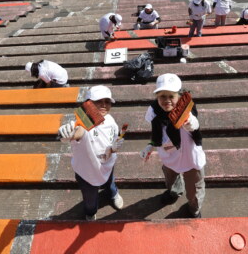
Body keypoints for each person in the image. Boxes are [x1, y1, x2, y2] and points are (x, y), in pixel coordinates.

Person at [139, 73, 206, 218]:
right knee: (171, 180)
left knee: (194, 190)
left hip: (190, 159)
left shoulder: (186, 112)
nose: (167, 100)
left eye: (171, 96)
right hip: (169, 157)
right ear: (157, 97)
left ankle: (194, 209)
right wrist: (150, 146)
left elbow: (194, 122)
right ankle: (174, 192)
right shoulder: (154, 112)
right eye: (163, 96)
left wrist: (191, 125)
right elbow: (156, 134)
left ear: (179, 96)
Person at [57, 85, 124, 220]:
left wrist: (115, 145)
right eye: (99, 101)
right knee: (90, 197)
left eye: (107, 101)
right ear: (88, 104)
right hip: (87, 173)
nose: (104, 105)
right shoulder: (83, 123)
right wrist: (67, 133)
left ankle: (113, 193)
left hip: (107, 165)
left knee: (110, 182)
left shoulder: (110, 120)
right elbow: (78, 132)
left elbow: (113, 136)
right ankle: (91, 211)